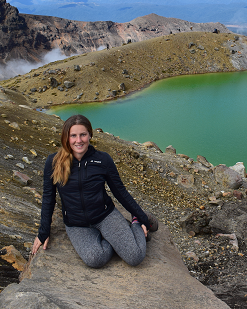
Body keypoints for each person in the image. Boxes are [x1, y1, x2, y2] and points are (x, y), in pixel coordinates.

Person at [31, 114, 158, 268]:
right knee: (95, 259)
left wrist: (142, 218)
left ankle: (135, 223)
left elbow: (120, 192)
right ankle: (117, 239)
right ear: (66, 137)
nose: (79, 140)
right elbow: (48, 198)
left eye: (83, 134)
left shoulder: (103, 160)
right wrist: (43, 232)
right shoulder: (53, 162)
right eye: (73, 136)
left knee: (135, 257)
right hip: (76, 224)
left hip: (105, 216)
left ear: (90, 135)